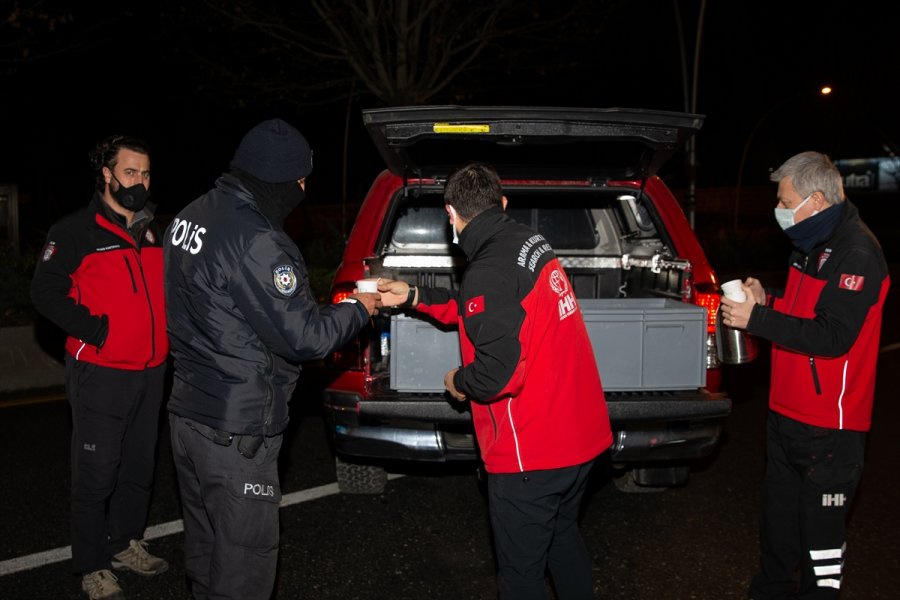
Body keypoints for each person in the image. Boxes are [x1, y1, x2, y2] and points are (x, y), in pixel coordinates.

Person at [163, 117, 381, 600]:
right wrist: (358, 308)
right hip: (236, 430)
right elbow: (304, 337)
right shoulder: (259, 240)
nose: (303, 191)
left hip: (188, 417)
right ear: (281, 178)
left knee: (206, 560)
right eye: (301, 181)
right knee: (242, 574)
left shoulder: (190, 216)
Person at [377, 161, 612, 599]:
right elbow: (482, 309)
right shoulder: (528, 242)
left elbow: (496, 375)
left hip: (532, 455)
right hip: (579, 437)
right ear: (502, 204)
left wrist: (458, 381)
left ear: (450, 214)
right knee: (562, 537)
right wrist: (413, 296)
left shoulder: (488, 269)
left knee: (521, 577)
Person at [720, 151, 890, 599]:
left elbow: (832, 336)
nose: (778, 208)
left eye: (785, 200)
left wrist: (756, 319)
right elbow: (803, 311)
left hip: (830, 427)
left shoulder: (857, 252)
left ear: (815, 201)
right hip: (787, 414)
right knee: (778, 532)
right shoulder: (810, 241)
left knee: (820, 545)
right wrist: (768, 301)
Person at [30, 135, 170, 599]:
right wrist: (99, 331)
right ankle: (91, 565)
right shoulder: (75, 230)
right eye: (130, 173)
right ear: (107, 174)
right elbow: (45, 292)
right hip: (102, 371)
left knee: (138, 467)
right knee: (96, 473)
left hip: (152, 369)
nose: (139, 182)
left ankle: (125, 543)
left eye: (145, 173)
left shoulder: (152, 229)